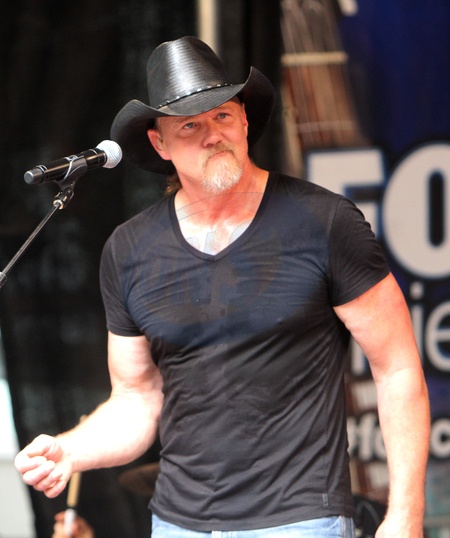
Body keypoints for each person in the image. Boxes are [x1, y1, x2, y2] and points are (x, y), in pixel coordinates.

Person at [15, 36, 430, 537]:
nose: (213, 134)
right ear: (159, 144)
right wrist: (70, 449)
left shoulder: (326, 222)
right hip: (177, 522)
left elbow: (397, 368)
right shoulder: (129, 249)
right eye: (190, 125)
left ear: (245, 121)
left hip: (300, 519)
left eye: (223, 115)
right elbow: (137, 398)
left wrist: (405, 515)